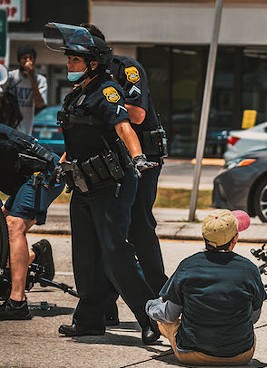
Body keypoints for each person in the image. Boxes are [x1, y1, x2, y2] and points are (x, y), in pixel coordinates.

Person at [43, 23, 160, 343]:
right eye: (67, 59)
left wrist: (137, 157)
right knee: (85, 255)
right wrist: (59, 166)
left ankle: (150, 317)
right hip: (83, 187)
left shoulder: (107, 90)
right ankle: (90, 318)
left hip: (112, 185)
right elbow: (79, 141)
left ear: (92, 62)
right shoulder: (76, 96)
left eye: (74, 60)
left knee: (115, 252)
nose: (68, 64)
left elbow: (124, 127)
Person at [81, 24, 169, 327]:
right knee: (109, 234)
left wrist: (105, 107)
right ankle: (106, 305)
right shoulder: (87, 80)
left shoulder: (125, 68)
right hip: (111, 163)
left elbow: (137, 114)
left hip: (143, 156)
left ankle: (162, 297)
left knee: (139, 226)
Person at [146, 209, 266, 366]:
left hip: (191, 354)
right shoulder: (250, 269)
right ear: (234, 239)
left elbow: (170, 314)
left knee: (166, 322)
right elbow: (253, 317)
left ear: (204, 237)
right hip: (240, 355)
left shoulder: (188, 266)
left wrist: (150, 307)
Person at [0, 125, 63, 320]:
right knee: (4, 226)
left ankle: (18, 302)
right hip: (23, 177)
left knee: (13, 225)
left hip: (44, 172)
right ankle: (36, 255)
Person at [6, 45, 48, 135]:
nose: (28, 61)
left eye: (30, 58)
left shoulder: (40, 80)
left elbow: (40, 104)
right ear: (19, 60)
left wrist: (32, 77)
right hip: (10, 129)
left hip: (27, 131)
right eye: (24, 58)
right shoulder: (11, 77)